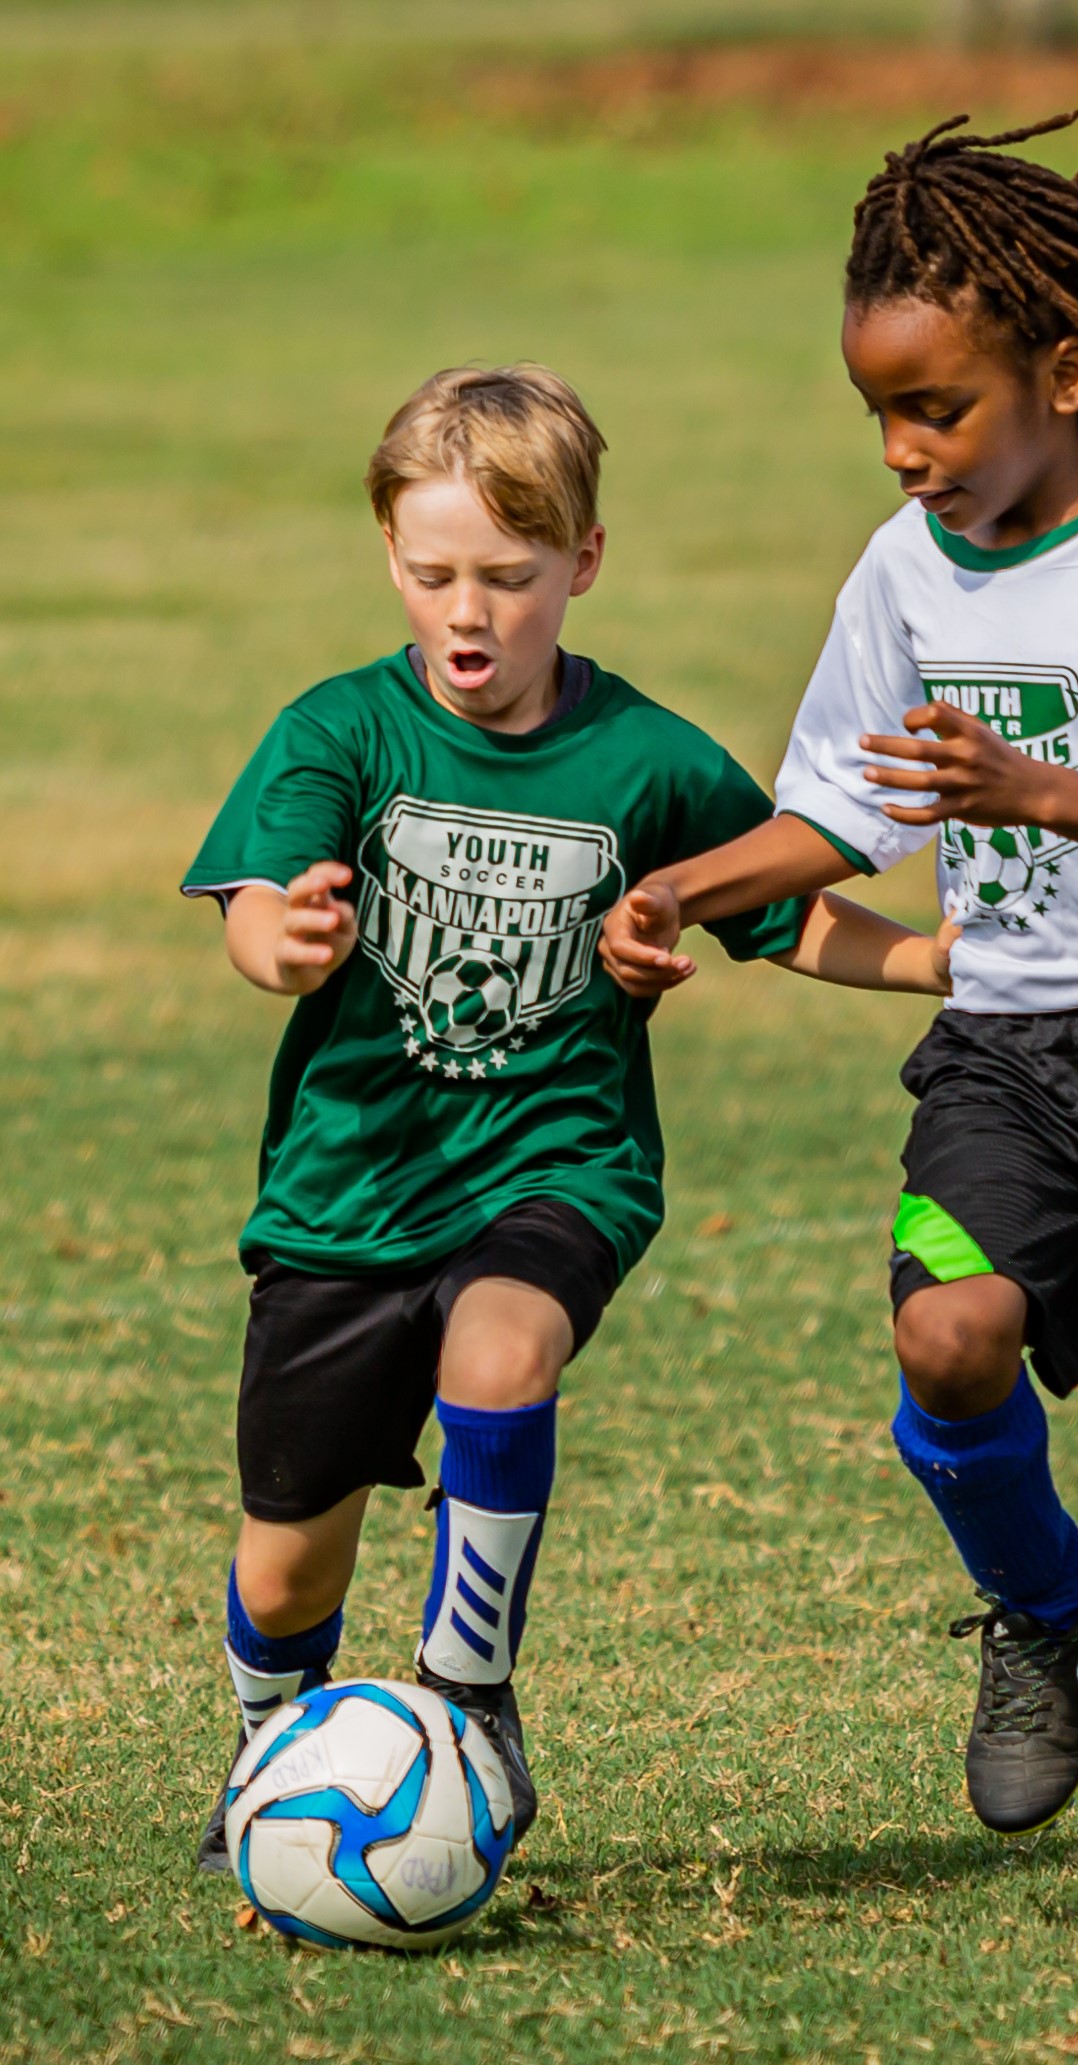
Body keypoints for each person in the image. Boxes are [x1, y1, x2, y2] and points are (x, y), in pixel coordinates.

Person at [599, 114, 1078, 1918]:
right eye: (882, 415)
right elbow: (840, 804)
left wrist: (1040, 789)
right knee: (950, 1339)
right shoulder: (900, 573)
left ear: (1063, 374)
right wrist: (698, 884)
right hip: (1007, 1048)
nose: (908, 452)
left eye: (940, 408)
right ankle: (1041, 1604)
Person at [182, 362, 951, 1874]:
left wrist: (935, 960)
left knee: (505, 1343)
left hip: (558, 1161)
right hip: (348, 1193)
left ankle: (468, 1690)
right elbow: (261, 903)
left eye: (510, 578)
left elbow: (785, 915)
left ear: (583, 563)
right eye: (433, 573)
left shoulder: (648, 761)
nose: (469, 613)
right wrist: (284, 943)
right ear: (389, 556)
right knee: (284, 1574)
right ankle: (276, 1752)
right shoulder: (339, 733)